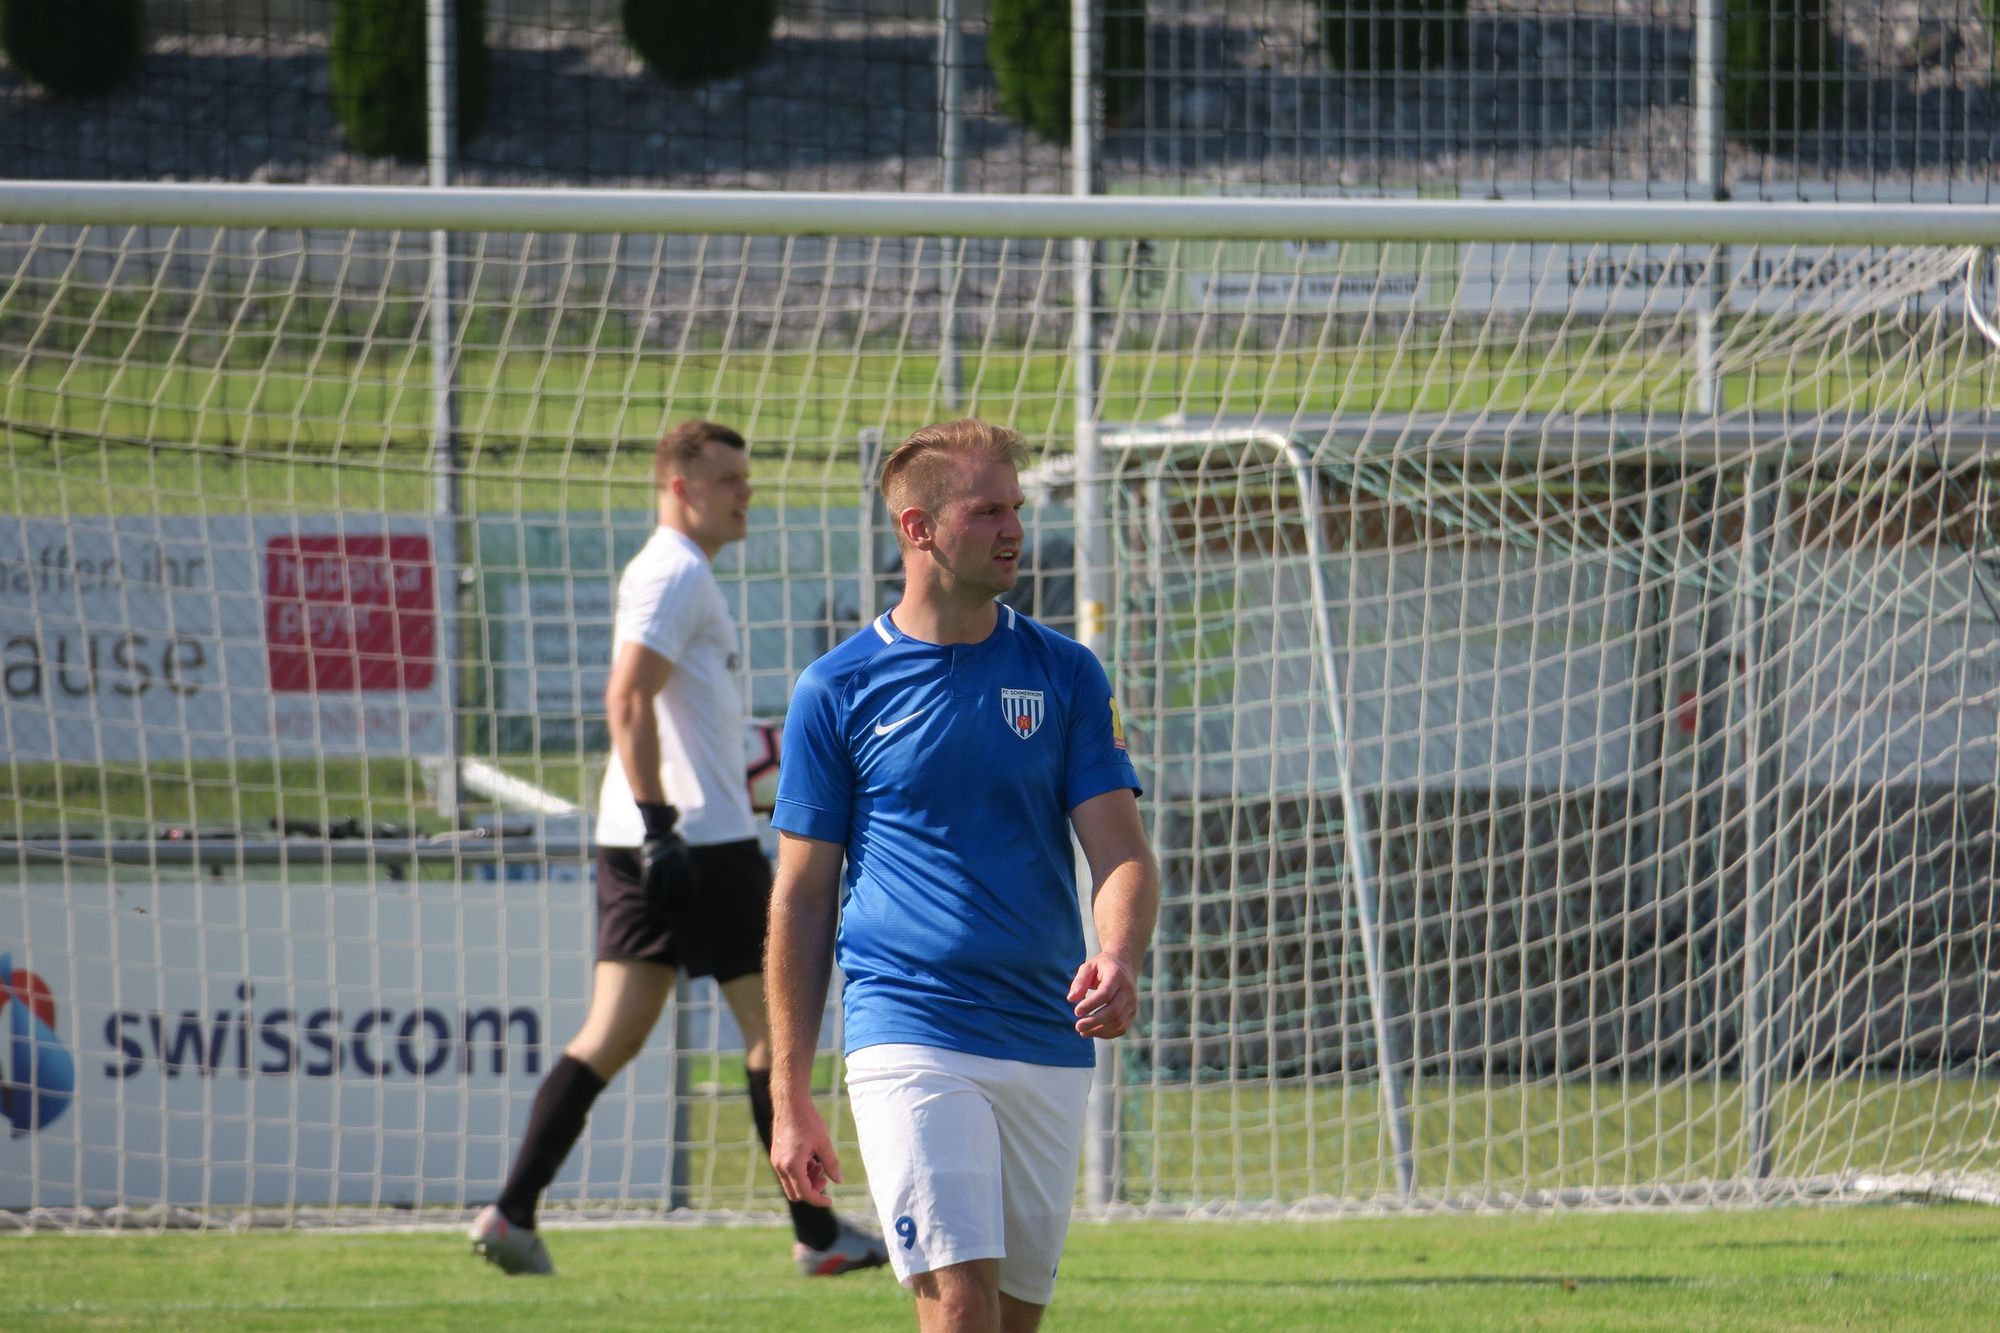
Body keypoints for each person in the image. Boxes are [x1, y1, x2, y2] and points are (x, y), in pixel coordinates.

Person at [764, 419, 1160, 1332]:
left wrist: (1120, 954)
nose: (1014, 527)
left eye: (1017, 507)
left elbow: (1122, 852)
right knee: (959, 1301)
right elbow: (802, 895)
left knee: (1012, 1319)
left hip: (1045, 1031)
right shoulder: (838, 687)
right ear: (919, 528)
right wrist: (791, 1096)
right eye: (988, 510)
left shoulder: (1065, 673)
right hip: (911, 1026)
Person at [470, 419, 888, 1279]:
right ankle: (817, 1235)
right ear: (678, 486)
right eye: (729, 477)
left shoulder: (676, 573)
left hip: (641, 838)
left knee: (613, 1033)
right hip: (696, 839)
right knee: (778, 1031)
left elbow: (655, 711)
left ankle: (510, 1213)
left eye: (747, 475)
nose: (746, 492)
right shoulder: (673, 570)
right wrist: (665, 828)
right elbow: (626, 698)